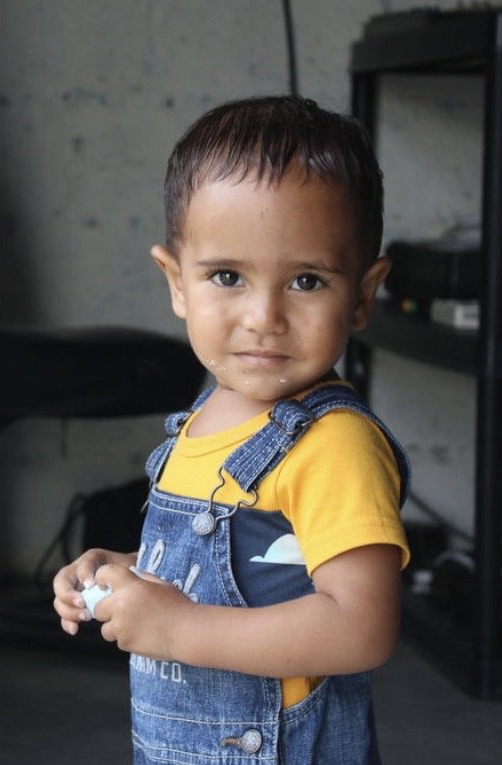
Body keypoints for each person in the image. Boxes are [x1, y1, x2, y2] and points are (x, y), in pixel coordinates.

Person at [52, 95, 411, 764]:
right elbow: (227, 571)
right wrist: (125, 572)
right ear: (177, 282)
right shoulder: (199, 421)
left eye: (306, 279)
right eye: (227, 276)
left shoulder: (333, 446)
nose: (263, 315)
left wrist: (180, 627)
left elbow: (362, 626)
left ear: (362, 295)